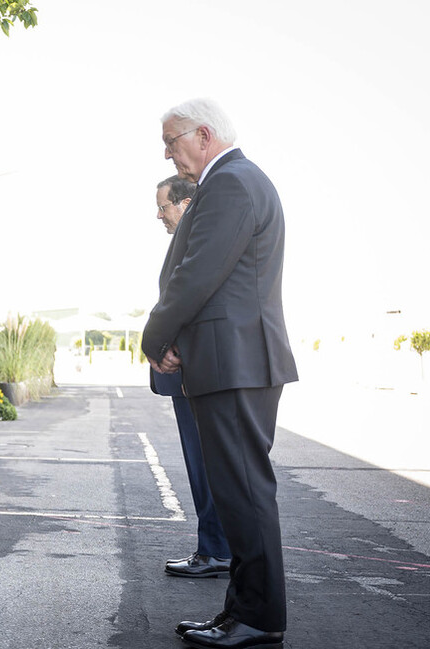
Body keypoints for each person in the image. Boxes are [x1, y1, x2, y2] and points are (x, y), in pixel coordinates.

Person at [142, 98, 298, 649]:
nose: (167, 152)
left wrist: (154, 338)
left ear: (203, 135)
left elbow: (195, 276)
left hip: (236, 364)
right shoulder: (236, 180)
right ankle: (243, 611)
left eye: (172, 140)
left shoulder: (231, 183)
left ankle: (257, 616)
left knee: (245, 493)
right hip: (233, 361)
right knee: (237, 494)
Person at [152, 175, 232, 578]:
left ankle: (216, 550)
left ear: (184, 204)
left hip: (192, 369)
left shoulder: (196, 241)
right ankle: (214, 547)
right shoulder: (191, 240)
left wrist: (161, 344)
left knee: (205, 465)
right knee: (204, 465)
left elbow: (186, 297)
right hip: (191, 370)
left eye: (163, 207)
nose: (159, 216)